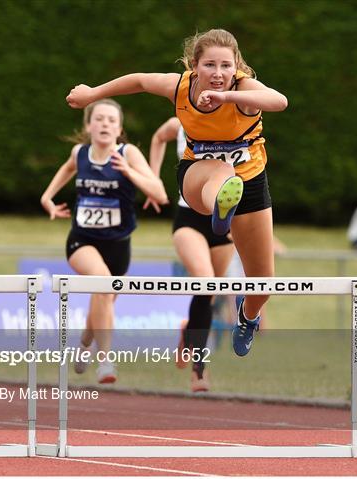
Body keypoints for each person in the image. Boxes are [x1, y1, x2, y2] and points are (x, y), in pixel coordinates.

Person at [66, 28, 288, 357]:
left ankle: (248, 315)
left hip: (252, 182)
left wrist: (227, 98)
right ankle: (221, 209)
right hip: (197, 176)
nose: (218, 74)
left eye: (226, 66)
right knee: (223, 174)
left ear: (237, 66)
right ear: (194, 66)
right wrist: (92, 94)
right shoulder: (180, 87)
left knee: (263, 282)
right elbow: (139, 80)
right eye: (210, 65)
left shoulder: (244, 89)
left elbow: (279, 101)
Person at [40, 99, 168, 383]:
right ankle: (106, 361)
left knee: (103, 299)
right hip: (81, 241)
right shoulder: (80, 153)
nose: (105, 124)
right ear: (88, 125)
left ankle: (85, 342)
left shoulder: (129, 153)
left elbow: (159, 194)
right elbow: (67, 168)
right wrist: (47, 198)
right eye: (99, 119)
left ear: (119, 128)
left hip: (118, 245)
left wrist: (128, 171)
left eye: (111, 120)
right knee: (101, 283)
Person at [147, 116, 235, 392]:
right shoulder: (178, 123)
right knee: (206, 281)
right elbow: (158, 138)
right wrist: (153, 181)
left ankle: (189, 331)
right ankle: (200, 369)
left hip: (224, 222)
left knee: (209, 294)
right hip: (188, 218)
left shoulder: (235, 121)